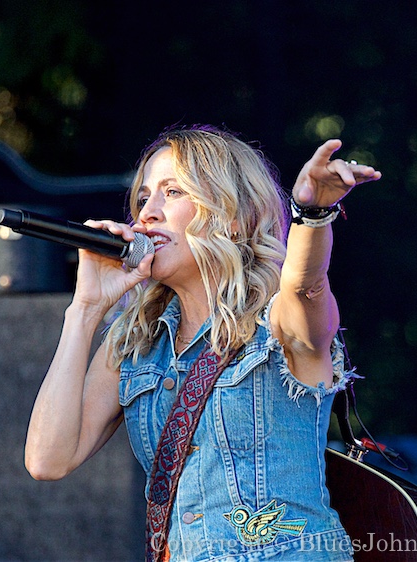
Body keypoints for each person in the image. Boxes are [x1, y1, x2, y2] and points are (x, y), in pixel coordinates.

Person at [24, 124, 381, 560]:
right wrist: (85, 308)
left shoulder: (277, 323)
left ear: (233, 217)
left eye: (172, 192)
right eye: (143, 198)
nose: (147, 213)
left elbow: (307, 284)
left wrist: (312, 215)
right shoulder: (137, 344)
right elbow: (47, 460)